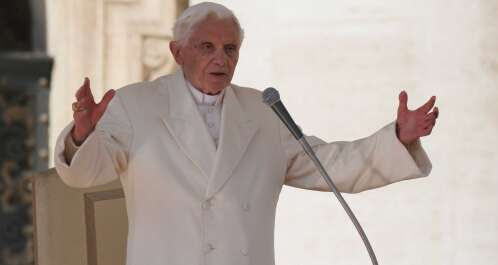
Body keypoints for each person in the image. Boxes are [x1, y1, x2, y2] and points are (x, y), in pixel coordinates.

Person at [54, 2, 439, 265]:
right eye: (206, 47)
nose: (221, 58)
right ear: (177, 51)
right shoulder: (136, 105)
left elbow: (330, 166)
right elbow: (85, 174)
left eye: (230, 48)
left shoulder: (263, 111)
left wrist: (399, 138)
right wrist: (82, 137)